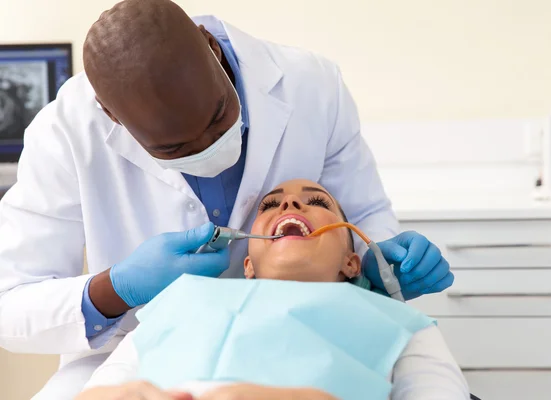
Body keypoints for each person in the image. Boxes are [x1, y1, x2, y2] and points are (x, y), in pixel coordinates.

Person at [0, 1, 453, 398]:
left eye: (219, 117)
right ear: (110, 117)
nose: (209, 146)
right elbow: (11, 304)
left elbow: (366, 215)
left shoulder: (312, 85)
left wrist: (379, 264)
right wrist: (116, 288)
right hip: (140, 345)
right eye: (174, 149)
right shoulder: (64, 132)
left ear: (214, 53)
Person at [76, 179, 469, 400]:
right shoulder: (175, 304)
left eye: (316, 202)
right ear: (247, 264)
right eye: (270, 205)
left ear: (353, 262)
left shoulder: (402, 325)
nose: (291, 203)